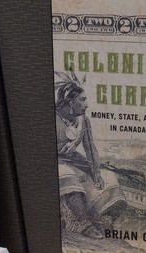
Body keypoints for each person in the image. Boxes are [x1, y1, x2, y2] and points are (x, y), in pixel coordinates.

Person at [54, 71, 126, 239]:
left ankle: (101, 221)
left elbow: (90, 148)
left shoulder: (83, 121)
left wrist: (97, 173)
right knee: (68, 176)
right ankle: (82, 223)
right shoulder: (53, 117)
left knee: (108, 178)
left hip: (73, 160)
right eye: (82, 100)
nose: (86, 105)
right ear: (69, 101)